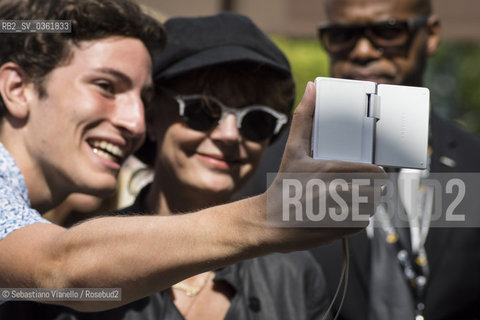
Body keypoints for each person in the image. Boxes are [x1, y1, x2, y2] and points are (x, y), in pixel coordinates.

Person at [0, 0, 384, 312]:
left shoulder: (296, 275)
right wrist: (269, 218)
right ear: (17, 88)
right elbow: (61, 268)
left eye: (258, 122)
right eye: (201, 110)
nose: (133, 121)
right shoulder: (75, 247)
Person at [311, 0, 480, 319]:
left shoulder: (474, 165)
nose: (361, 50)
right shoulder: (278, 171)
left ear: (430, 35)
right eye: (341, 34)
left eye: (388, 31)